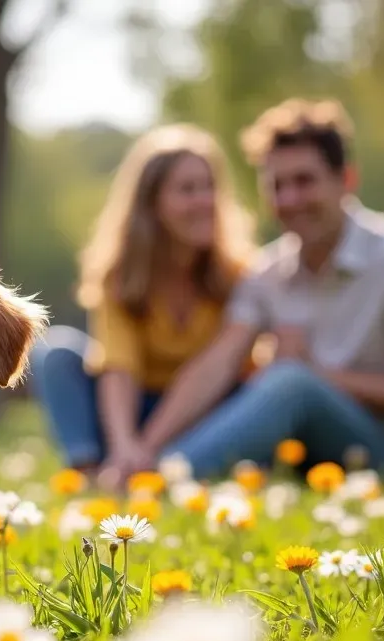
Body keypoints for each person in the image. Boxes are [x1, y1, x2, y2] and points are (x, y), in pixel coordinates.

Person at [132, 98, 384, 479]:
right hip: (297, 456)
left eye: (305, 181)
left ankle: (164, 479)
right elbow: (215, 364)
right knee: (282, 383)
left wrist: (318, 375)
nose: (290, 200)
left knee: (291, 383)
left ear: (346, 180)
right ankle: (147, 469)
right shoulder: (267, 272)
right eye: (277, 186)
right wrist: (143, 446)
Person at [29, 123, 255, 488]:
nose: (205, 201)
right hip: (132, 410)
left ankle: (151, 468)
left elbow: (215, 375)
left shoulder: (241, 275)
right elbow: (118, 367)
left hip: (206, 413)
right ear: (152, 203)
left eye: (210, 187)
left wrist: (144, 448)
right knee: (55, 350)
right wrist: (124, 445)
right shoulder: (119, 276)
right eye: (187, 189)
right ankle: (89, 475)